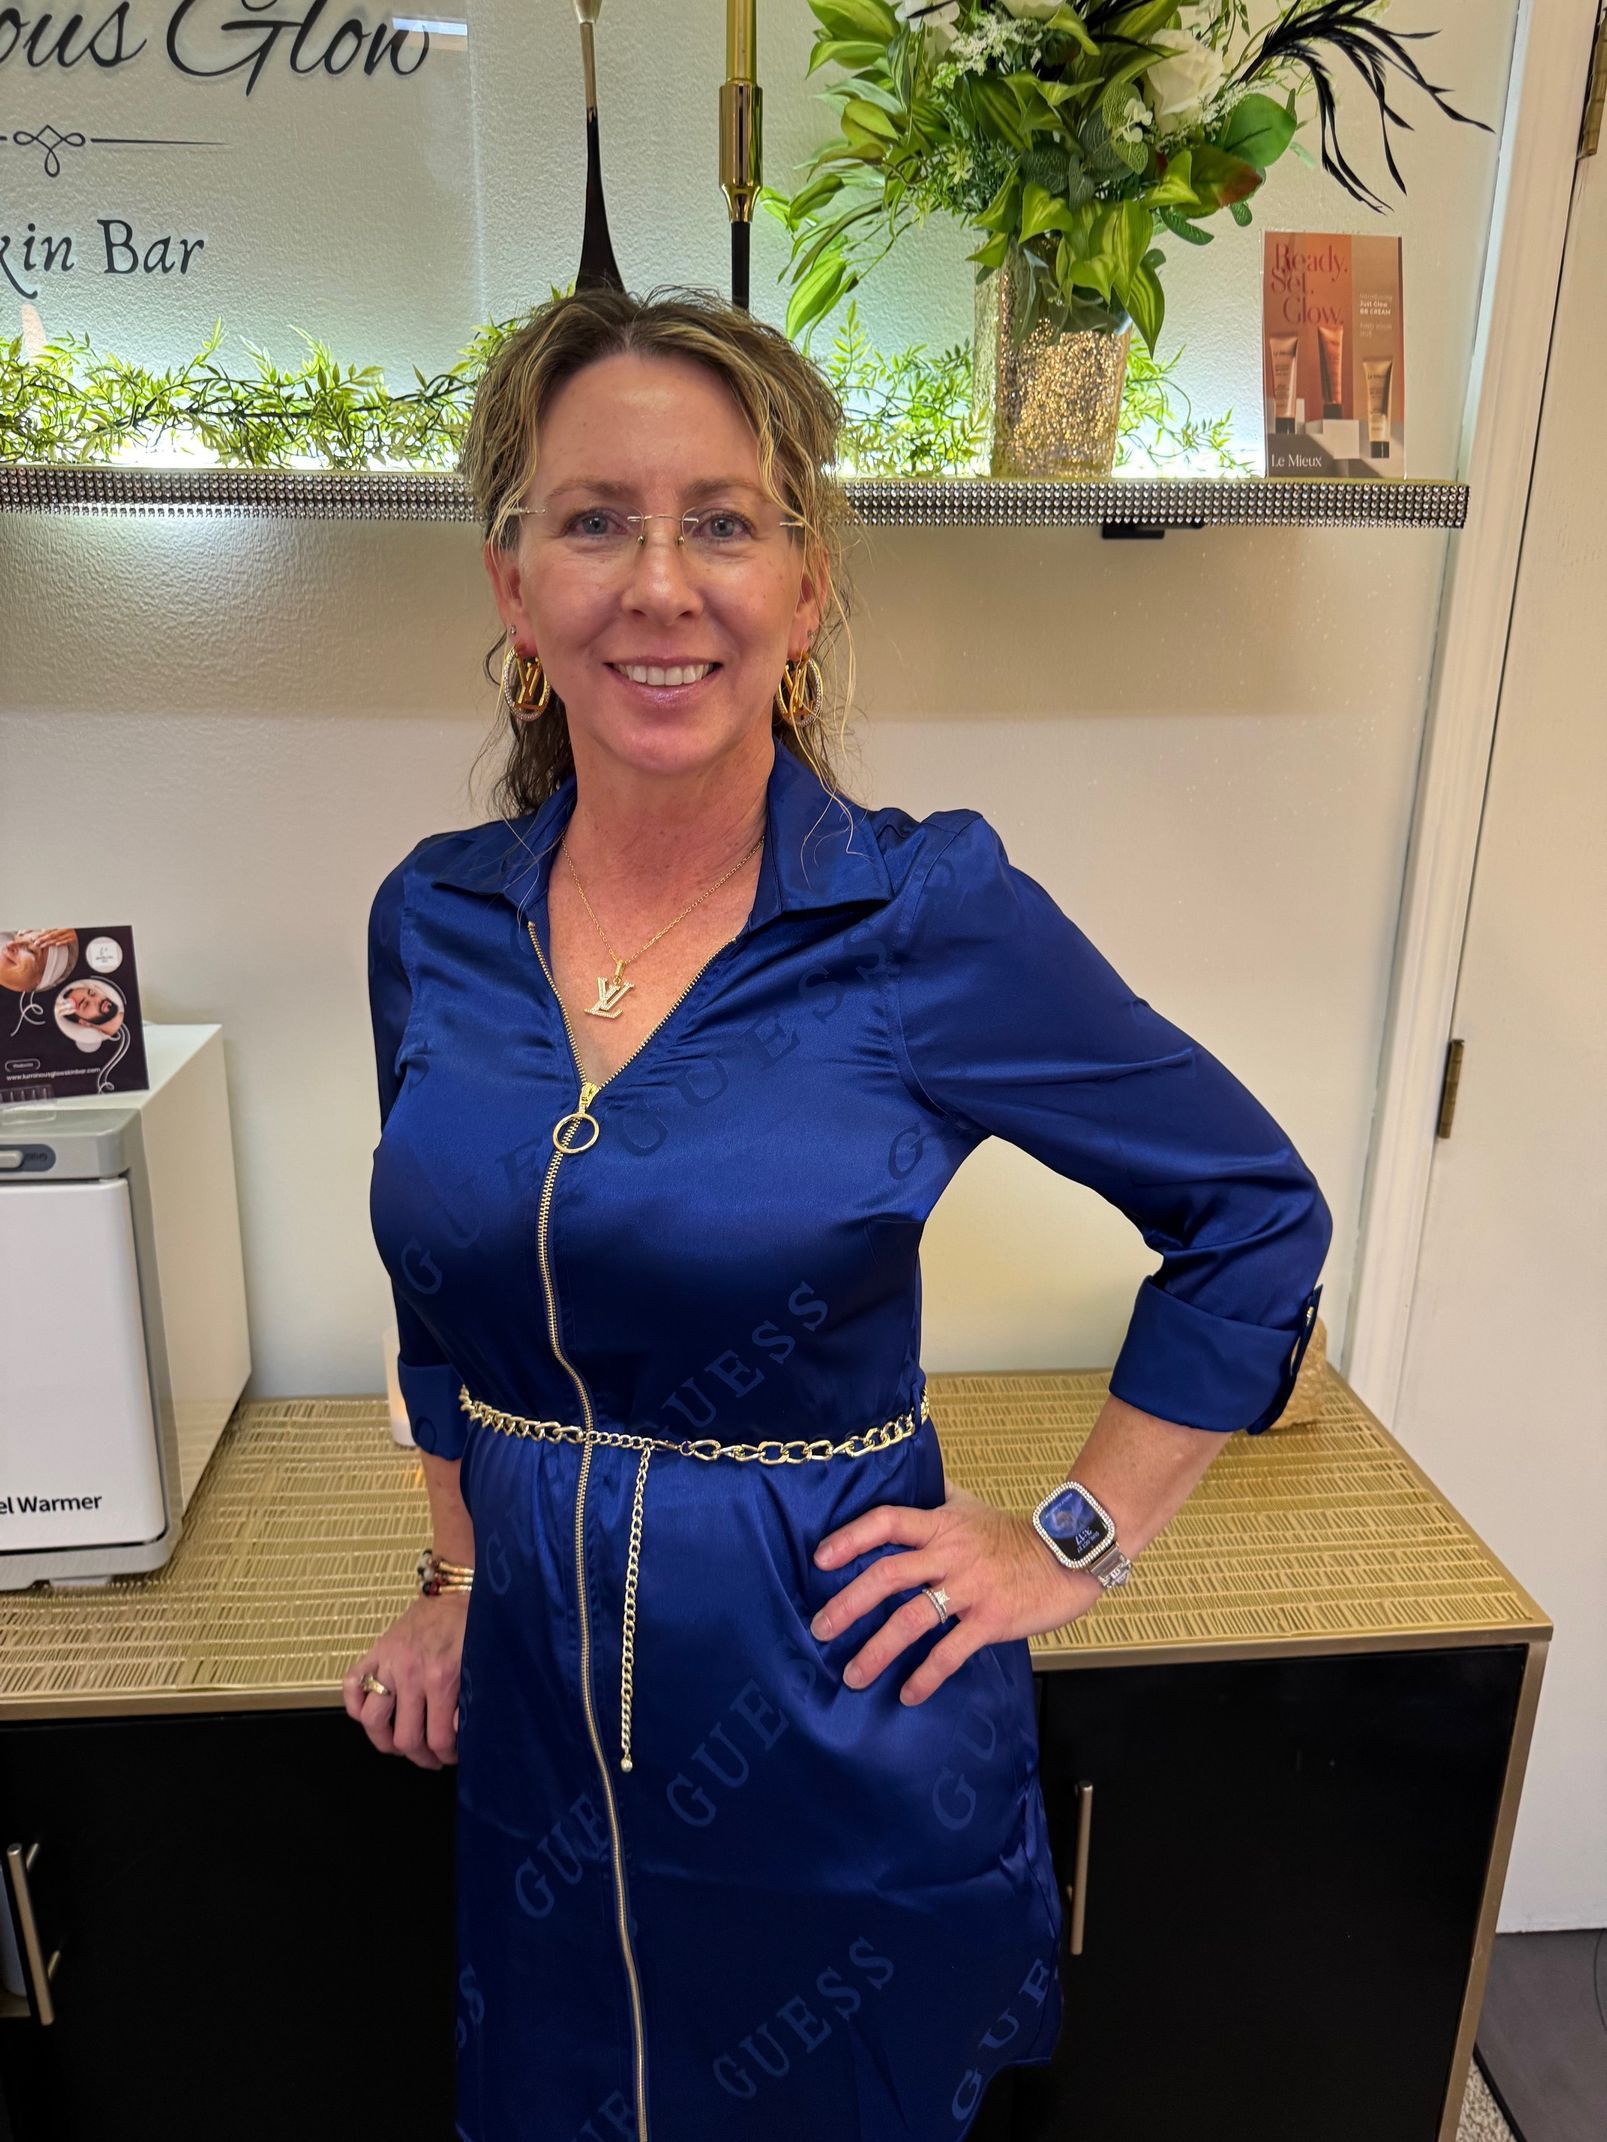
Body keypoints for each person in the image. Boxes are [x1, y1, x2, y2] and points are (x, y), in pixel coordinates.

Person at [343, 284, 1331, 2142]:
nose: (660, 582)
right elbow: (437, 1308)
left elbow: (1253, 1215)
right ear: (512, 584)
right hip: (544, 1699)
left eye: (722, 520)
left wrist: (1072, 1537)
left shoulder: (923, 919)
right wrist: (459, 1576)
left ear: (803, 589)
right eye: (593, 518)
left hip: (823, 1688)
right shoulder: (434, 919)